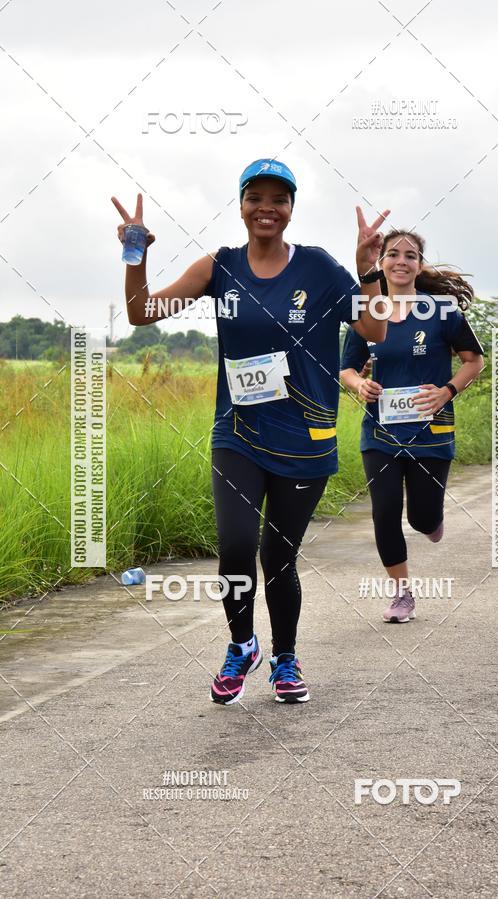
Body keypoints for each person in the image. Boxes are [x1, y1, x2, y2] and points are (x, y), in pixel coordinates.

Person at [112, 159, 390, 704]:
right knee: (236, 548)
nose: (267, 207)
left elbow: (374, 327)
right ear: (240, 205)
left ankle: (285, 657)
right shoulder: (219, 266)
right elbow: (143, 312)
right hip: (236, 433)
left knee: (278, 558)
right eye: (255, 197)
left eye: (278, 199)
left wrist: (367, 268)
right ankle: (242, 645)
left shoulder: (318, 268)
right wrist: (134, 252)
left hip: (306, 439)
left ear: (291, 209)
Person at [340, 229, 484, 622]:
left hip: (431, 433)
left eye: (410, 255)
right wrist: (359, 383)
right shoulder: (366, 312)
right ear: (381, 262)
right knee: (384, 511)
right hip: (380, 433)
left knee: (420, 518)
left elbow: (474, 361)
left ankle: (431, 519)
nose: (401, 261)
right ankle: (402, 594)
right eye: (392, 254)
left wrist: (447, 391)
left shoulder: (442, 311)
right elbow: (346, 369)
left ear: (420, 265)